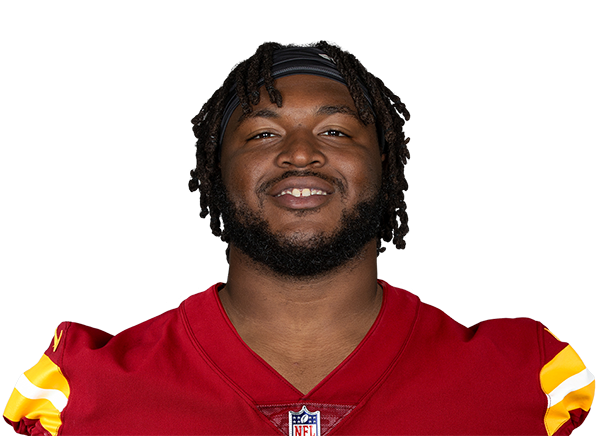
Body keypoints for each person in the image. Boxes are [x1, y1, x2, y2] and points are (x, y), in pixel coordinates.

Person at [3, 41, 594, 436]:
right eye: (262, 134)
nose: (301, 154)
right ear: (215, 173)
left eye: (335, 129)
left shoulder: (523, 379)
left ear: (386, 168)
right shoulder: (81, 393)